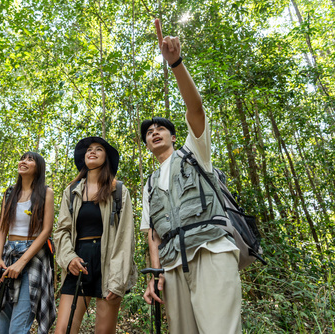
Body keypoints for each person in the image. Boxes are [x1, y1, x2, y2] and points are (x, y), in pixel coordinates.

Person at [140, 20, 242, 334]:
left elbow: (195, 109)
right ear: (146, 144)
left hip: (211, 250)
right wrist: (154, 274)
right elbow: (152, 236)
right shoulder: (148, 183)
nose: (154, 132)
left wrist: (176, 64)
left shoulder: (194, 153)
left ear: (173, 136)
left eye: (161, 129)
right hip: (170, 267)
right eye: (149, 132)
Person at [54, 137, 137, 334]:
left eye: (99, 149)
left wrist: (117, 280)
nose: (92, 151)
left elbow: (126, 237)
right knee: (63, 330)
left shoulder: (118, 191)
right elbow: (62, 230)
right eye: (89, 149)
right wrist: (69, 258)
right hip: (77, 262)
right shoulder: (71, 191)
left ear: (106, 157)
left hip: (109, 262)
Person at [0, 152, 55, 334]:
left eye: (30, 159)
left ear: (39, 167)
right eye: (22, 158)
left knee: (18, 327)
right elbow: (2, 228)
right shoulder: (10, 192)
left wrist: (22, 262)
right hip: (8, 254)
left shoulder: (46, 192)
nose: (23, 162)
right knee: (1, 321)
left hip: (33, 258)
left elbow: (46, 231)